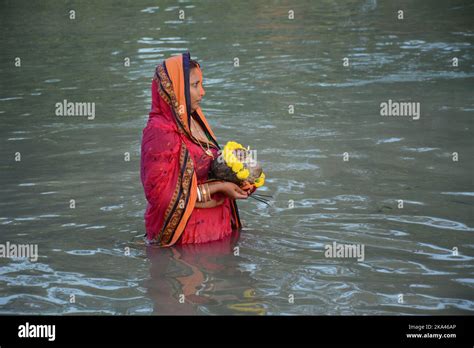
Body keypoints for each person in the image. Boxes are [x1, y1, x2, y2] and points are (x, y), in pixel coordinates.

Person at [141, 52, 250, 246]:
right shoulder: (159, 131)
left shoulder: (194, 120)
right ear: (175, 89)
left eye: (201, 84)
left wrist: (241, 178)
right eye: (195, 85)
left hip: (218, 234)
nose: (203, 92)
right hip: (187, 243)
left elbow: (207, 164)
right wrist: (219, 188)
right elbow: (162, 197)